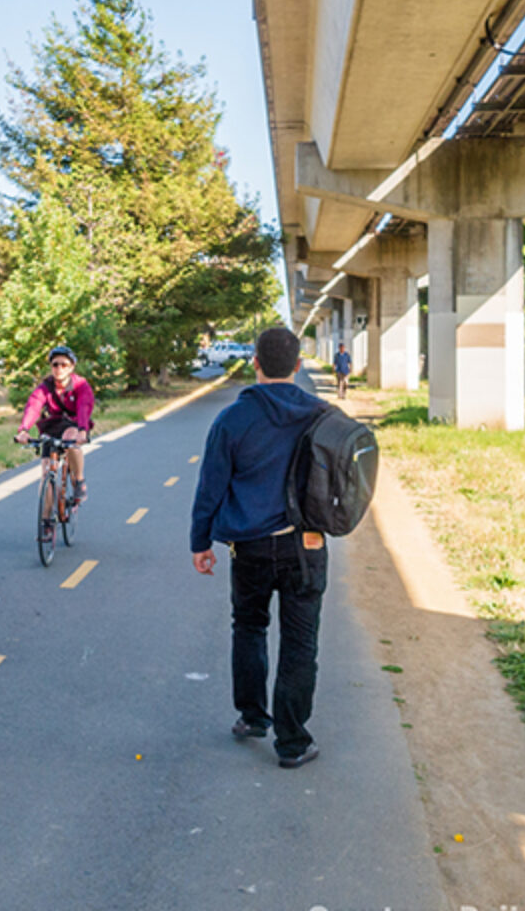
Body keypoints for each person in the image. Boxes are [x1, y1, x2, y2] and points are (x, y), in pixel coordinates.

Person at [190, 326, 330, 769]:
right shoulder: (322, 416)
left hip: (248, 547)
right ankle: (292, 742)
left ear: (254, 364)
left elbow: (210, 487)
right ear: (297, 365)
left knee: (248, 626)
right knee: (299, 641)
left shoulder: (232, 420)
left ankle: (253, 717)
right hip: (304, 547)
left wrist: (201, 542)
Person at [13, 345, 94, 506]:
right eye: (55, 364)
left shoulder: (80, 385)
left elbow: (83, 407)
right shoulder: (46, 387)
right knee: (46, 475)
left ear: (71, 367)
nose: (59, 368)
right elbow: (34, 406)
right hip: (53, 425)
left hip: (74, 424)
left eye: (64, 364)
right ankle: (47, 524)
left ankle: (78, 480)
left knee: (70, 438)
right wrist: (24, 430)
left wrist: (83, 430)